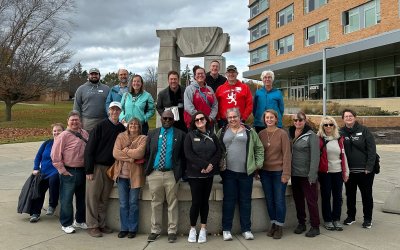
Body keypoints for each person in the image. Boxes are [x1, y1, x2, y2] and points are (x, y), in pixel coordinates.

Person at [217, 108, 264, 241]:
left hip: (245, 173)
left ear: (240, 117)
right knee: (229, 201)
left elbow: (259, 148)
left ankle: (246, 229)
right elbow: (217, 148)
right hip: (228, 173)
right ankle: (226, 229)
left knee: (245, 201)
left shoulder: (249, 131)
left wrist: (257, 164)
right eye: (230, 117)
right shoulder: (222, 131)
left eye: (235, 117)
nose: (232, 119)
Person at [84, 101, 126, 237]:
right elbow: (89, 149)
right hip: (96, 167)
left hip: (111, 168)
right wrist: (89, 170)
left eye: (117, 110)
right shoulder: (100, 126)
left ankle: (101, 224)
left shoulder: (121, 129)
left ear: (120, 112)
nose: (115, 112)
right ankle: (92, 225)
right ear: (109, 111)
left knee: (104, 198)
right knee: (92, 197)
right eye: (112, 110)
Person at [144, 110, 186, 243]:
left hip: (171, 174)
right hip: (155, 173)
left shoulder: (180, 134)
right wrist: (148, 170)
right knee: (156, 202)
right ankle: (155, 230)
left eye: (170, 119)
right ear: (160, 119)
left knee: (172, 203)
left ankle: (172, 231)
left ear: (173, 120)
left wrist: (179, 173)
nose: (167, 121)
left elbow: (183, 156)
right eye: (165, 118)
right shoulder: (152, 133)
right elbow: (147, 153)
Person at [184, 111, 221, 243]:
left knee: (205, 202)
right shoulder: (190, 136)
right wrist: (204, 165)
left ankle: (203, 229)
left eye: (202, 119)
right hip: (195, 175)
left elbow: (218, 151)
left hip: (208, 175)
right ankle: (193, 229)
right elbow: (188, 154)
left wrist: (211, 165)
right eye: (197, 120)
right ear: (194, 122)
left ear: (206, 120)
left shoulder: (212, 135)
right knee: (196, 202)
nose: (200, 121)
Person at [51, 110, 89, 234]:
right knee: (66, 199)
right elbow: (55, 155)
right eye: (72, 120)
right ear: (67, 121)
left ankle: (79, 220)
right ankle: (66, 223)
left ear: (80, 121)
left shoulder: (84, 133)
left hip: (83, 171)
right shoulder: (63, 136)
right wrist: (63, 171)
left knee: (81, 198)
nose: (74, 122)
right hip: (69, 171)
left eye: (76, 120)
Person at [257, 109, 291, 239]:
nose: (269, 119)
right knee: (270, 201)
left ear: (276, 119)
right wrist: (257, 171)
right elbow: (259, 153)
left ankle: (279, 226)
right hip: (265, 173)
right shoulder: (261, 134)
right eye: (267, 117)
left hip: (279, 172)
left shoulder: (282, 133)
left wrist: (286, 174)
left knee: (279, 200)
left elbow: (287, 155)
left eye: (272, 117)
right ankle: (273, 223)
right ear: (264, 120)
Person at [340, 109, 376, 229]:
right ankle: (351, 217)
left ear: (355, 117)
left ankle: (367, 219)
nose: (349, 118)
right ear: (343, 119)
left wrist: (369, 167)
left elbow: (372, 150)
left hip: (364, 171)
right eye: (346, 116)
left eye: (351, 116)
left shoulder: (364, 130)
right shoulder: (340, 132)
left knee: (366, 195)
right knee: (350, 195)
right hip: (349, 171)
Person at [111, 118, 147, 239]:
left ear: (139, 127)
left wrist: (125, 150)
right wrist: (131, 158)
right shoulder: (121, 136)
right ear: (128, 126)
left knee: (133, 203)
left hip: (135, 176)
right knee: (123, 203)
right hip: (121, 176)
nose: (133, 126)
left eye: (136, 124)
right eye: (131, 124)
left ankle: (132, 229)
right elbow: (115, 153)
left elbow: (140, 153)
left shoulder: (143, 138)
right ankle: (124, 228)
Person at [288, 111, 320, 237]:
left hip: (307, 175)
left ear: (305, 120)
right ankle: (301, 223)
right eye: (295, 120)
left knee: (311, 201)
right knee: (298, 201)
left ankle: (315, 226)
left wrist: (312, 174)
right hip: (294, 174)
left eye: (300, 120)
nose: (297, 122)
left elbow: (315, 156)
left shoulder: (311, 135)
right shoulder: (289, 133)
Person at [317, 116, 349, 231]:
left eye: (331, 124)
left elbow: (343, 155)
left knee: (338, 197)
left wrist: (346, 172)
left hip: (338, 172)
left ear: (334, 126)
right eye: (326, 125)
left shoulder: (339, 138)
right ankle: (327, 220)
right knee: (326, 197)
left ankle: (336, 219)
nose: (328, 127)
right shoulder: (319, 139)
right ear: (322, 127)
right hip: (325, 172)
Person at [29, 123, 64, 223]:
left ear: (63, 132)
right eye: (54, 131)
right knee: (38, 190)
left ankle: (52, 205)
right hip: (43, 171)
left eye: (59, 130)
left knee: (53, 181)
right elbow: (38, 156)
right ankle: (35, 213)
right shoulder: (47, 143)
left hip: (55, 171)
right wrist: (36, 168)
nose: (56, 132)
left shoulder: (65, 144)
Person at [73, 68, 110, 132]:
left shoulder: (106, 88)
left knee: (103, 140)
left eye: (96, 74)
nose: (94, 76)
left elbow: (110, 104)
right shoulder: (81, 89)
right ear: (88, 76)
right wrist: (78, 121)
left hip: (104, 120)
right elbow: (76, 106)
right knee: (88, 141)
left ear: (99, 75)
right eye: (92, 74)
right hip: (87, 122)